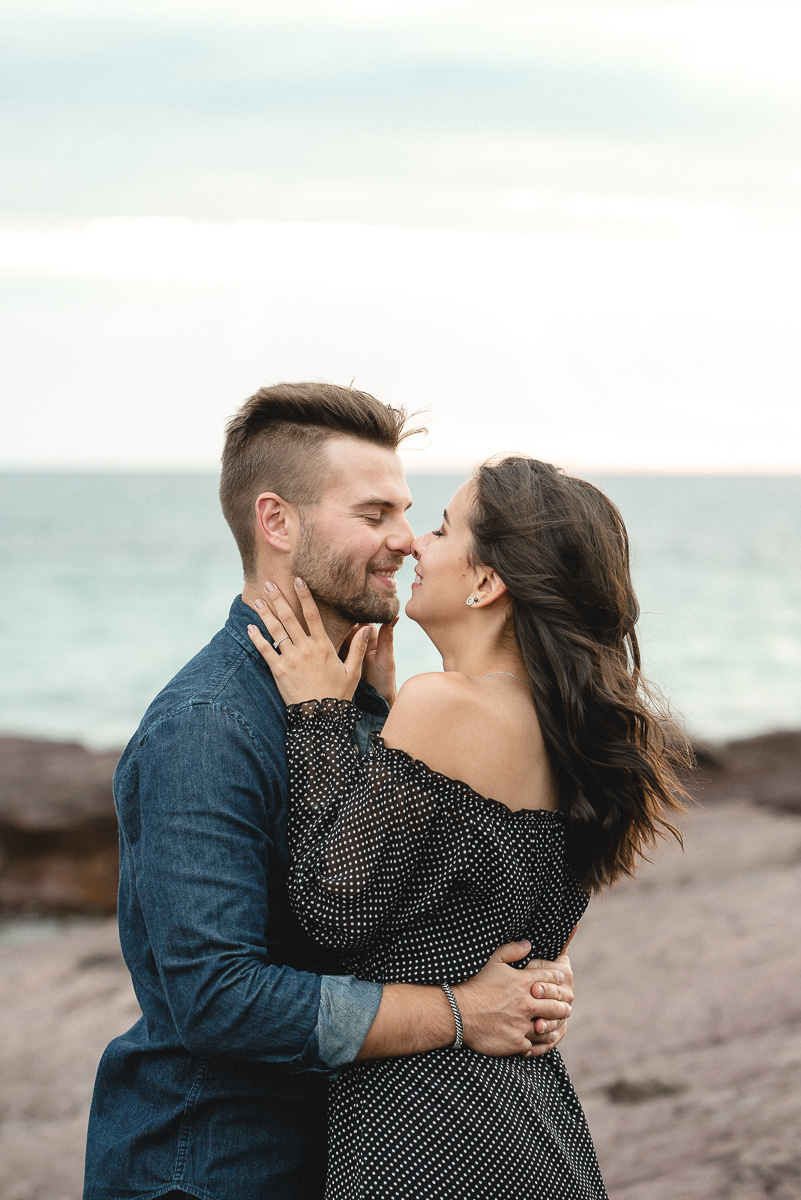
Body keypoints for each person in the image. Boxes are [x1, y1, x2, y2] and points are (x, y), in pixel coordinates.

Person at [82, 384, 576, 1200]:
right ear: (277, 523)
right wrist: (461, 1011)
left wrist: (532, 979)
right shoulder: (207, 726)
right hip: (214, 1168)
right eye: (374, 513)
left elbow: (417, 906)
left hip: (352, 1154)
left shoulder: (375, 707)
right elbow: (217, 999)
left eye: (411, 513)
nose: (407, 541)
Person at [246, 454, 692, 1199]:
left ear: (486, 583)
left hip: (428, 1128)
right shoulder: (567, 733)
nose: (417, 543)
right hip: (530, 1120)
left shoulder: (445, 705)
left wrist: (319, 717)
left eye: (443, 528)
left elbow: (331, 910)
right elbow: (515, 932)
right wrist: (383, 726)